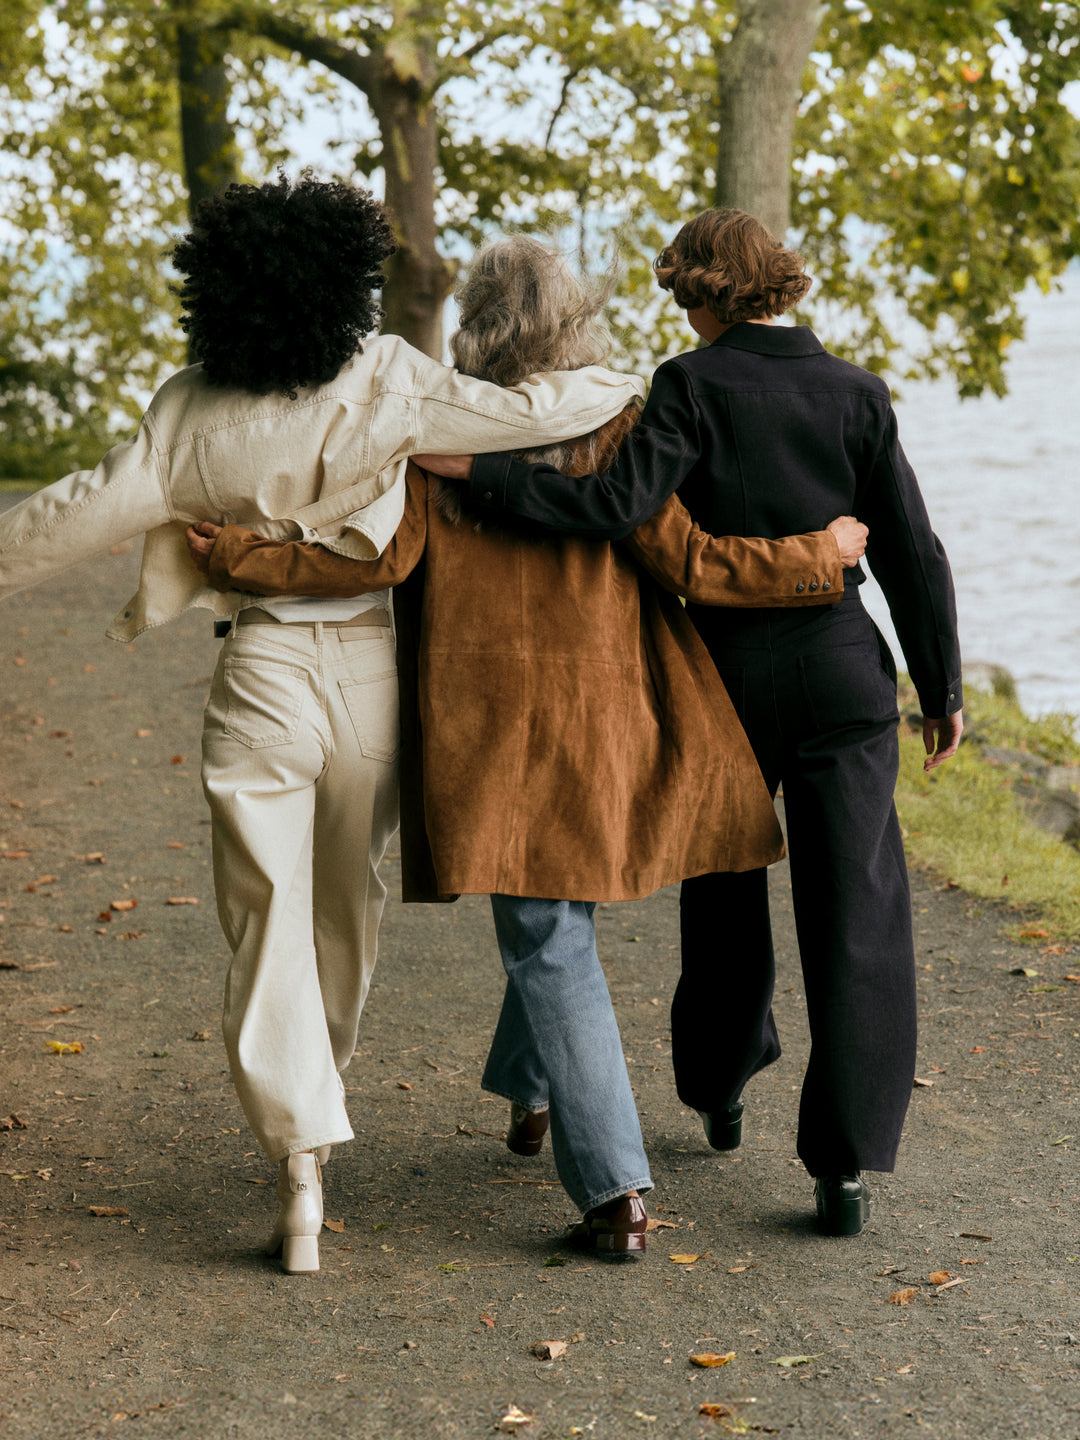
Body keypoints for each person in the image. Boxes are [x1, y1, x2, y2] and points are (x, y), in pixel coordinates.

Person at [0, 175, 653, 1275]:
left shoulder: (185, 413)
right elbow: (546, 410)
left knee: (267, 923)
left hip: (260, 676)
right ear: (347, 282)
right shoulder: (389, 380)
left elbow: (69, 514)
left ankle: (300, 1161)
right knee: (344, 912)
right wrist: (648, 377)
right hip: (371, 685)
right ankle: (317, 1108)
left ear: (217, 293)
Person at [187, 234, 868, 1258]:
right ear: (579, 324)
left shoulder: (435, 441)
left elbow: (369, 562)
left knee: (547, 923)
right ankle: (545, 1097)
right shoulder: (615, 420)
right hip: (602, 724)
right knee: (555, 915)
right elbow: (695, 562)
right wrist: (821, 558)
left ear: (477, 331)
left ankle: (612, 1190)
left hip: (491, 729)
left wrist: (236, 555)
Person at [412, 210, 964, 1238]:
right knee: (860, 913)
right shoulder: (857, 394)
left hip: (729, 681)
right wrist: (943, 690)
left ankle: (720, 1083)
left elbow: (614, 507)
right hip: (845, 674)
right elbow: (913, 552)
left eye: (681, 292)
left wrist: (481, 474)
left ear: (710, 292)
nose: (677, 310)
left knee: (723, 889)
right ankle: (843, 1169)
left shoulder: (688, 387)